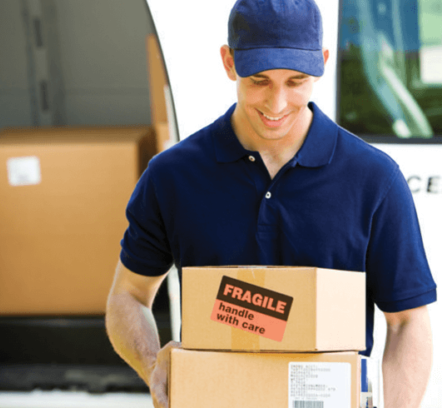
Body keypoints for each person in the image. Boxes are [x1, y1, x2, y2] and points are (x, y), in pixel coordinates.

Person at [105, 0, 437, 407]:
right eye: (259, 79)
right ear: (229, 63)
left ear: (323, 63)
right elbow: (128, 296)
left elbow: (407, 322)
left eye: (296, 81)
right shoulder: (172, 176)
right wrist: (153, 364)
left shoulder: (373, 179)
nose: (277, 104)